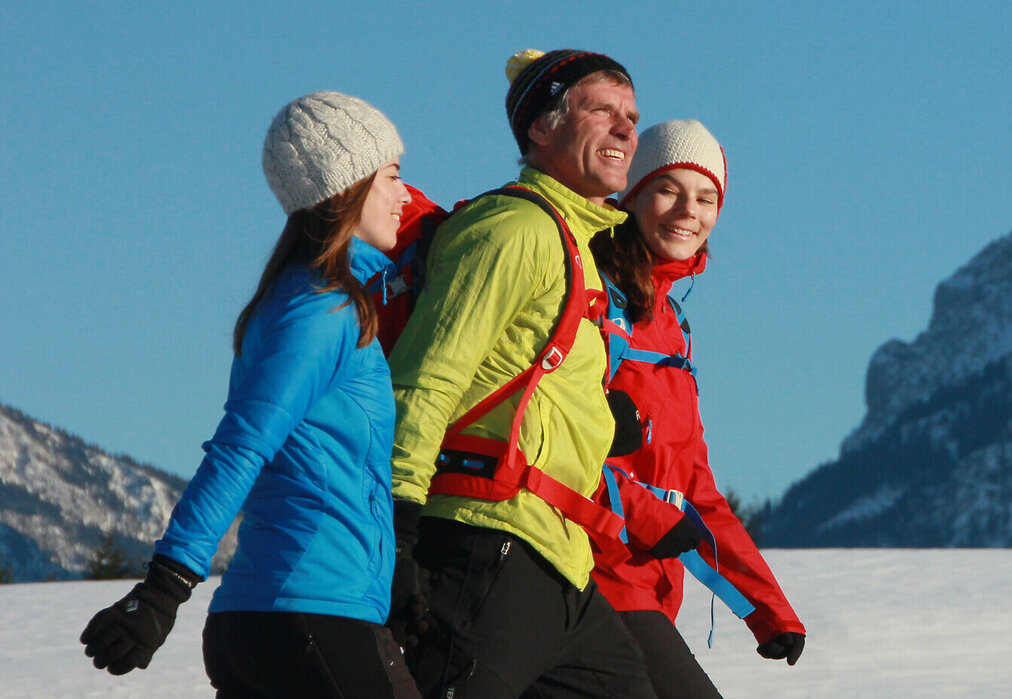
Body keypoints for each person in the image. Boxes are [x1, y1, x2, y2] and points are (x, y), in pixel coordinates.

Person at [79, 90, 420, 698]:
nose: (406, 194)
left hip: (291, 618)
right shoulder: (321, 309)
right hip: (309, 616)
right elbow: (241, 447)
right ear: (347, 188)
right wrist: (166, 586)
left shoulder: (321, 300)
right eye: (393, 176)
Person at [384, 49, 654, 698]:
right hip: (486, 544)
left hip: (556, 561)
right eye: (601, 111)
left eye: (631, 116)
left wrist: (595, 415)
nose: (624, 129)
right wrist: (395, 525)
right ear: (542, 127)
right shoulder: (513, 229)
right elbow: (427, 376)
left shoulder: (578, 245)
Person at [592, 120, 806, 699]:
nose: (688, 210)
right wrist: (648, 514)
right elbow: (554, 443)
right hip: (591, 575)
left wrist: (766, 607)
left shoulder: (670, 327)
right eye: (668, 189)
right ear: (629, 194)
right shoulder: (594, 301)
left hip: (650, 587)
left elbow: (694, 488)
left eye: (706, 197)